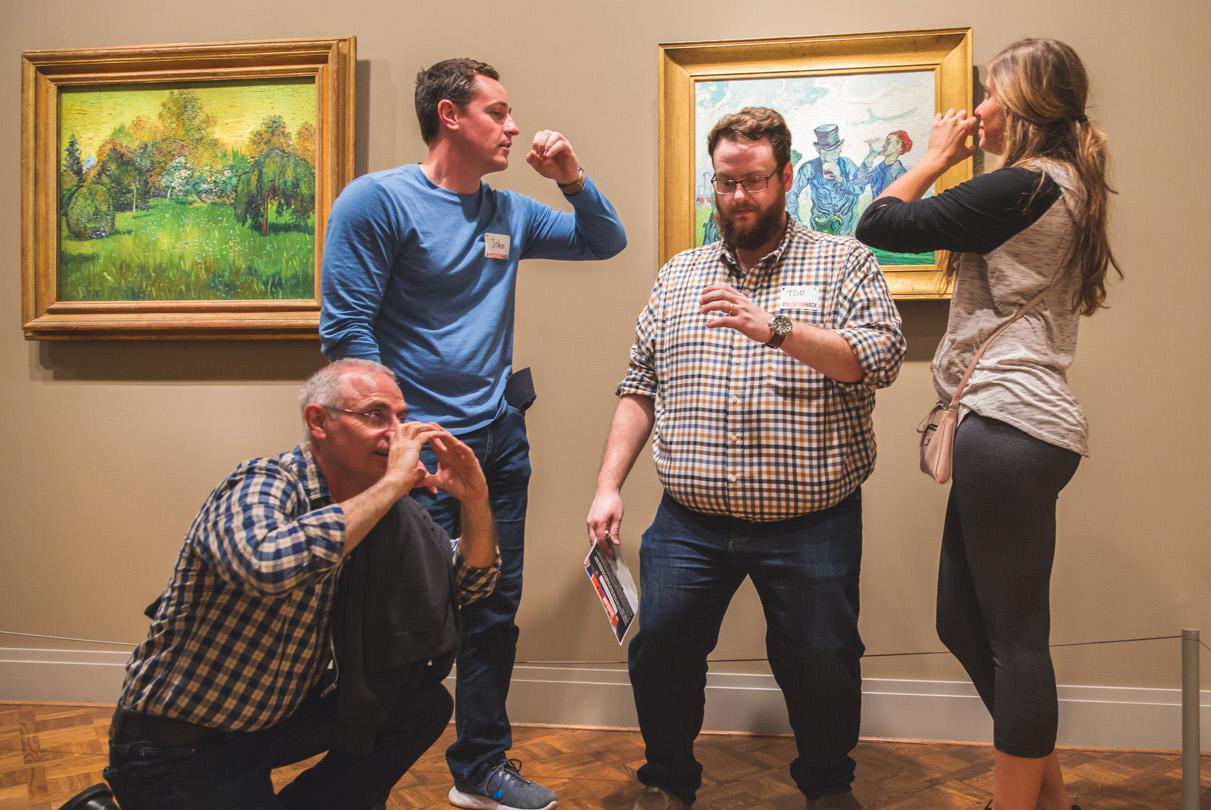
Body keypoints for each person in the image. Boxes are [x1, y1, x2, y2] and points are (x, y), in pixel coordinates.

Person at [320, 58, 627, 810]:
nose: (514, 126)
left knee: (493, 611)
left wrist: (572, 177)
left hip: (495, 445)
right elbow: (347, 332)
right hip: (412, 454)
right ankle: (355, 778)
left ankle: (480, 770)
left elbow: (605, 240)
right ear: (450, 116)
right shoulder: (377, 202)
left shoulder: (509, 213)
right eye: (498, 112)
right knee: (400, 623)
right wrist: (395, 439)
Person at [587, 107, 905, 810]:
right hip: (689, 521)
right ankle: (668, 781)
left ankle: (827, 788)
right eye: (725, 183)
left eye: (755, 181)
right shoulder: (679, 276)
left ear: (786, 177)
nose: (739, 198)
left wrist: (779, 329)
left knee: (822, 663)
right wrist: (608, 485)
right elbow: (640, 384)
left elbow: (880, 360)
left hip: (810, 519)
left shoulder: (843, 262)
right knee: (661, 649)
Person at [855, 38, 1121, 810]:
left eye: (992, 93)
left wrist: (935, 155)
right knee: (965, 624)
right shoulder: (1054, 184)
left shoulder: (1028, 184)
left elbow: (881, 221)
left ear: (1029, 103)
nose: (978, 109)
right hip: (1007, 426)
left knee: (1014, 640)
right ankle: (1051, 798)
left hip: (1010, 425)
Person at [103, 358, 501, 810]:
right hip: (179, 748)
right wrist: (392, 485)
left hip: (268, 726)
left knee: (420, 707)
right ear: (319, 421)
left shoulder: (382, 512)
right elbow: (265, 564)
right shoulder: (262, 482)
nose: (396, 433)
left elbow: (467, 584)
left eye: (402, 418)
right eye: (375, 415)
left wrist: (475, 501)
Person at [788, 124, 865, 235]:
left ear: (840, 148)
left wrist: (840, 179)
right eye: (825, 153)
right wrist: (795, 220)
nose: (829, 158)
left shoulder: (848, 164)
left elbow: (859, 189)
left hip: (847, 226)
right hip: (821, 226)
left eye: (833, 152)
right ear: (818, 149)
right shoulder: (809, 167)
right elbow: (792, 192)